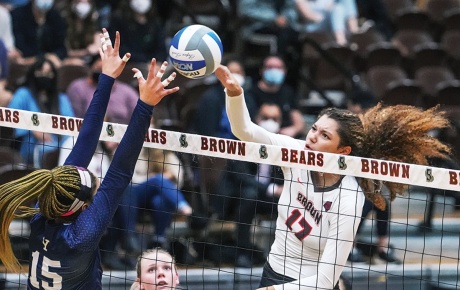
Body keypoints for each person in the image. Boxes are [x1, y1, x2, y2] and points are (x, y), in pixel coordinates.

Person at [214, 65, 452, 289]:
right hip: (273, 272)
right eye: (314, 128)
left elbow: (326, 280)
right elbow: (245, 130)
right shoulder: (295, 154)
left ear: (343, 152)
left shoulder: (348, 198)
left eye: (325, 135)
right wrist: (234, 93)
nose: (313, 137)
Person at [0, 28, 179, 289]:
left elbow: (87, 140)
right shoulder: (75, 232)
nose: (96, 187)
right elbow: (118, 171)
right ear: (81, 207)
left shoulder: (47, 211)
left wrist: (106, 78)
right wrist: (145, 105)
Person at [7, 55, 75, 167]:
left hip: (59, 144)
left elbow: (71, 124)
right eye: (40, 72)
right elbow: (9, 119)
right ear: (33, 73)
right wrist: (31, 128)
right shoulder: (23, 94)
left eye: (49, 73)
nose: (45, 76)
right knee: (47, 148)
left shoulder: (61, 98)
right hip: (30, 144)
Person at [66, 55, 139, 121]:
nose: (103, 77)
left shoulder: (127, 91)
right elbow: (74, 119)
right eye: (99, 71)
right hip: (88, 131)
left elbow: (138, 118)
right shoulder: (78, 87)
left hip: (121, 131)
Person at [249, 55, 305, 138]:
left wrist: (292, 130)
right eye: (270, 67)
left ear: (285, 71)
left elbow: (298, 121)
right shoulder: (250, 93)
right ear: (261, 70)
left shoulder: (288, 92)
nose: (274, 70)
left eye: (278, 68)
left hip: (282, 139)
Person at [11, 0, 68, 64]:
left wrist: (53, 57)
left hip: (52, 62)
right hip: (26, 63)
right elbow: (20, 47)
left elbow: (61, 48)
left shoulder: (56, 17)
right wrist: (43, 57)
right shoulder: (17, 16)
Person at [294, 0, 359, 45]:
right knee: (337, 10)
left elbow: (331, 5)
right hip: (313, 25)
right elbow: (307, 15)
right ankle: (341, 43)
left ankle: (355, 33)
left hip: (330, 20)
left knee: (339, 8)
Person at [61, 0, 101, 65]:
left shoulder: (94, 23)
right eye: (80, 1)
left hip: (91, 62)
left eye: (87, 2)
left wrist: (96, 47)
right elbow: (66, 51)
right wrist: (85, 52)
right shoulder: (65, 23)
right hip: (71, 61)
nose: (84, 4)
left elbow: (98, 45)